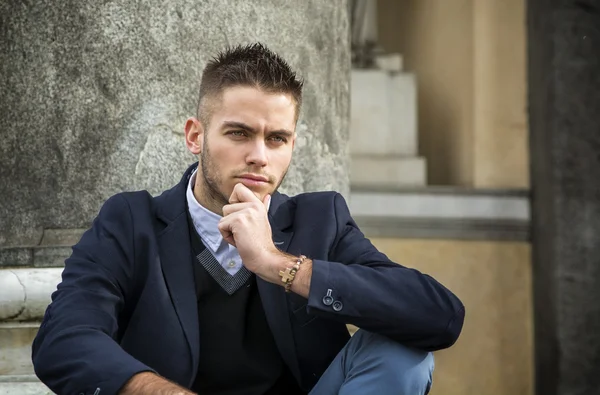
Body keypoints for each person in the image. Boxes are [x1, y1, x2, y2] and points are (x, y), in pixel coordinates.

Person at [32, 43, 465, 395]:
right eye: (239, 133)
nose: (259, 156)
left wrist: (278, 264)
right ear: (195, 135)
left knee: (404, 353)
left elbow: (439, 315)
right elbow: (64, 338)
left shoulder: (320, 219)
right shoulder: (131, 221)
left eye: (277, 138)